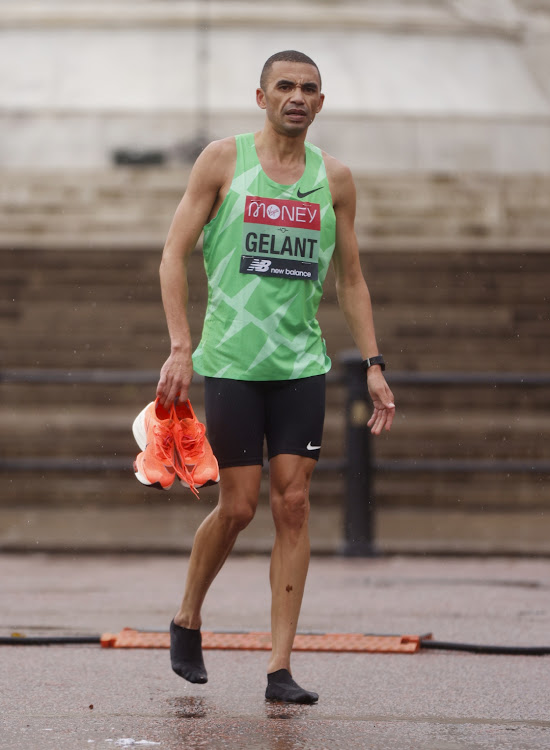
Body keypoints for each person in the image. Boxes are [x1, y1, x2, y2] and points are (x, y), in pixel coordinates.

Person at [155, 50, 395, 704]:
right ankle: (186, 617)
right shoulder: (222, 161)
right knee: (237, 507)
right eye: (284, 86)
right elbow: (173, 255)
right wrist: (181, 344)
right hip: (232, 362)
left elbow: (350, 277)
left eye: (309, 88)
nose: (296, 96)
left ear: (321, 103)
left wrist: (373, 363)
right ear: (260, 96)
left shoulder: (335, 180)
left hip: (300, 365)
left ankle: (279, 668)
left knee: (293, 503)